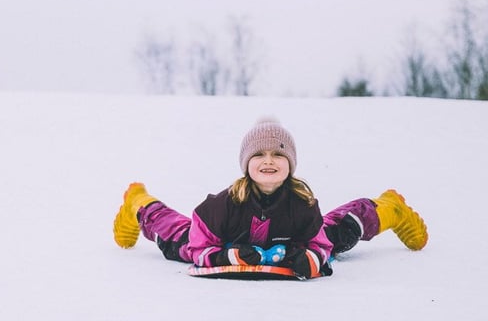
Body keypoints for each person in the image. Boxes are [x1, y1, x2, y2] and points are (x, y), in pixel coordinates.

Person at [112, 117, 428, 278]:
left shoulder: (303, 204)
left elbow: (319, 243)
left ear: (290, 164)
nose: (268, 161)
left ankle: (390, 209)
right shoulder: (224, 204)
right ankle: (138, 202)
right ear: (246, 164)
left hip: (287, 244)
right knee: (176, 237)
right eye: (259, 155)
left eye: (278, 155)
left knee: (340, 232)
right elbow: (198, 244)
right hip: (216, 241)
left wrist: (310, 259)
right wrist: (225, 257)